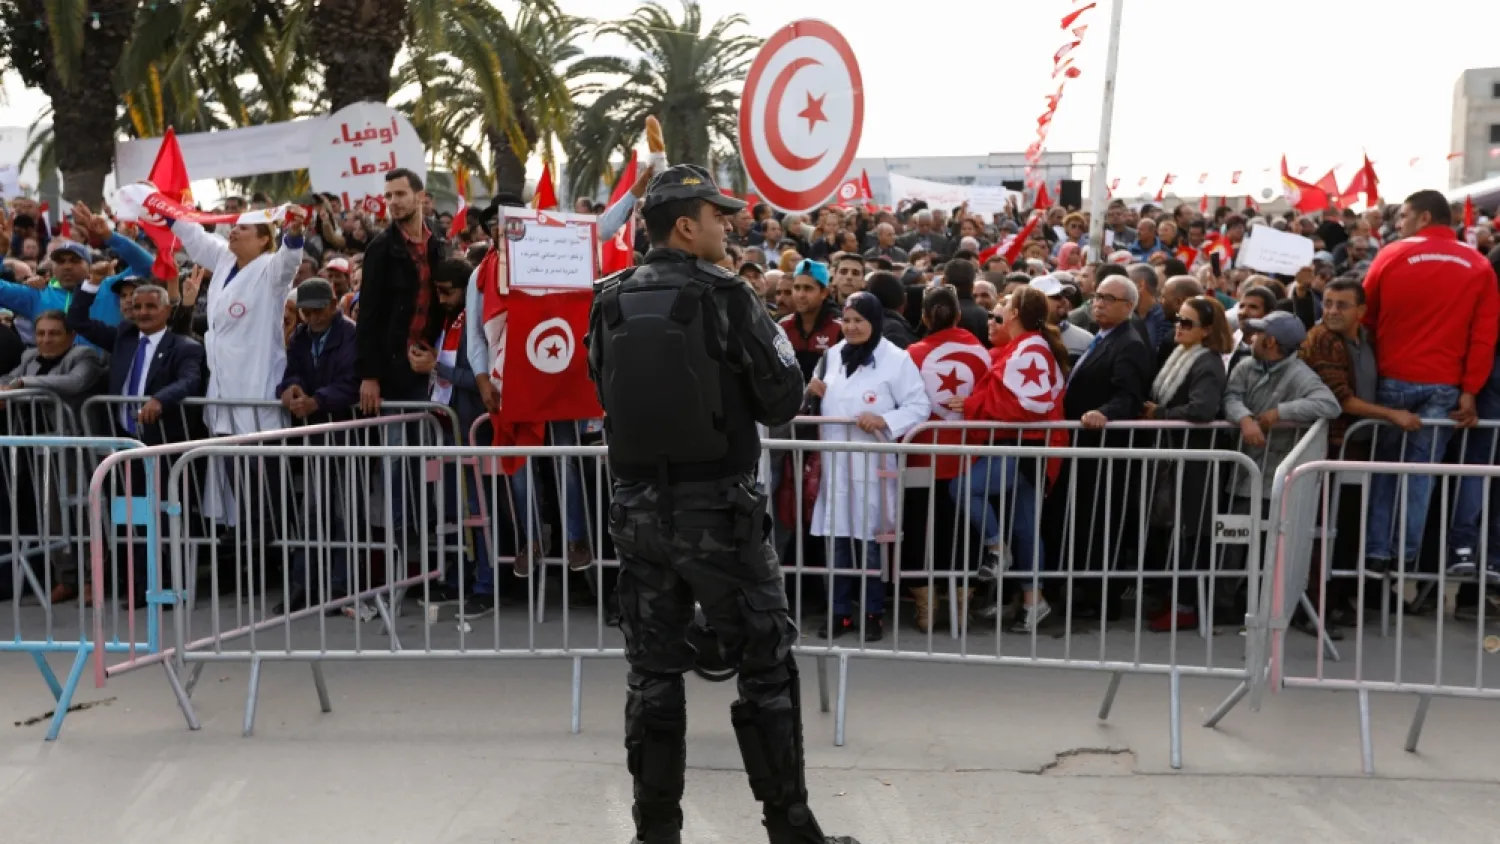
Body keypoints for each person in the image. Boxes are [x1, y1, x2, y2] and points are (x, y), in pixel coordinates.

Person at [586, 164, 860, 844]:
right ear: (684, 224)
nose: (727, 224)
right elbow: (782, 399)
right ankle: (791, 830)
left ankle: (655, 832)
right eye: (717, 215)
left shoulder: (608, 298)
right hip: (720, 515)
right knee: (765, 667)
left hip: (638, 514)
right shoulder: (727, 295)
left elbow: (602, 387)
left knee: (652, 675)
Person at [1361, 190, 1500, 575]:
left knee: (1386, 471)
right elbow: (1483, 336)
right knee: (1420, 474)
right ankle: (1405, 557)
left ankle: (1376, 556)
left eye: (1403, 215)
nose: (1398, 222)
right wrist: (1470, 391)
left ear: (1423, 218)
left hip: (1393, 381)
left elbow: (1365, 316)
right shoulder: (1477, 263)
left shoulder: (1391, 254)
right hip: (1446, 386)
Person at [806, 291, 929, 642]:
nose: (852, 327)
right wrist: (811, 393)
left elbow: (919, 406)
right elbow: (816, 403)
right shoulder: (830, 357)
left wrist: (884, 420)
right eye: (847, 320)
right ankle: (840, 612)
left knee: (872, 544)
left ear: (874, 321)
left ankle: (873, 611)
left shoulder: (896, 359)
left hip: (872, 466)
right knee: (838, 541)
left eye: (859, 320)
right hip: (836, 467)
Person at [947, 286, 1070, 632]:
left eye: (1004, 303)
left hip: (1025, 448)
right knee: (1025, 528)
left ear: (1015, 313)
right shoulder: (1022, 347)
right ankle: (1035, 602)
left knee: (964, 489)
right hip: (1026, 449)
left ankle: (997, 550)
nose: (997, 309)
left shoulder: (1030, 348)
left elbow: (1032, 406)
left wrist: (973, 405)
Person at [1140, 295, 1232, 632]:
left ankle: (1186, 606)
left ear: (1207, 331)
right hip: (1176, 459)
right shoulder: (1183, 355)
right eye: (1179, 319)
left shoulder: (1206, 362)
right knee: (1177, 531)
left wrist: (1160, 413)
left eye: (1188, 323)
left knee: (1192, 533)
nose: (1179, 326)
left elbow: (1202, 410)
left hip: (1196, 464)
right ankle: (1175, 600)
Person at [902, 286, 991, 631]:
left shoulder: (911, 354)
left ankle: (926, 608)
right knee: (962, 530)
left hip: (921, 455)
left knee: (919, 528)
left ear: (923, 316)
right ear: (959, 315)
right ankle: (960, 607)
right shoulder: (982, 353)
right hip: (967, 457)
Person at [66, 282, 206, 446]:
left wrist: (159, 400)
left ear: (167, 310)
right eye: (137, 307)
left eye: (151, 306)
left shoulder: (184, 347)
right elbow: (77, 320)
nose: (143, 312)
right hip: (121, 439)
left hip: (163, 442)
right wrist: (93, 283)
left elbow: (189, 380)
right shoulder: (123, 338)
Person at [0, 310, 105, 413]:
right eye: (40, 334)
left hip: (69, 428)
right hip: (27, 427)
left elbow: (74, 382)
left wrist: (24, 382)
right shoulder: (30, 355)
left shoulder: (84, 355)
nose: (46, 340)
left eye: (54, 334)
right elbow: (9, 378)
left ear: (71, 336)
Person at [777, 259, 842, 383]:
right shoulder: (783, 327)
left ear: (823, 293)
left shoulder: (838, 329)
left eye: (808, 288)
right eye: (797, 288)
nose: (801, 295)